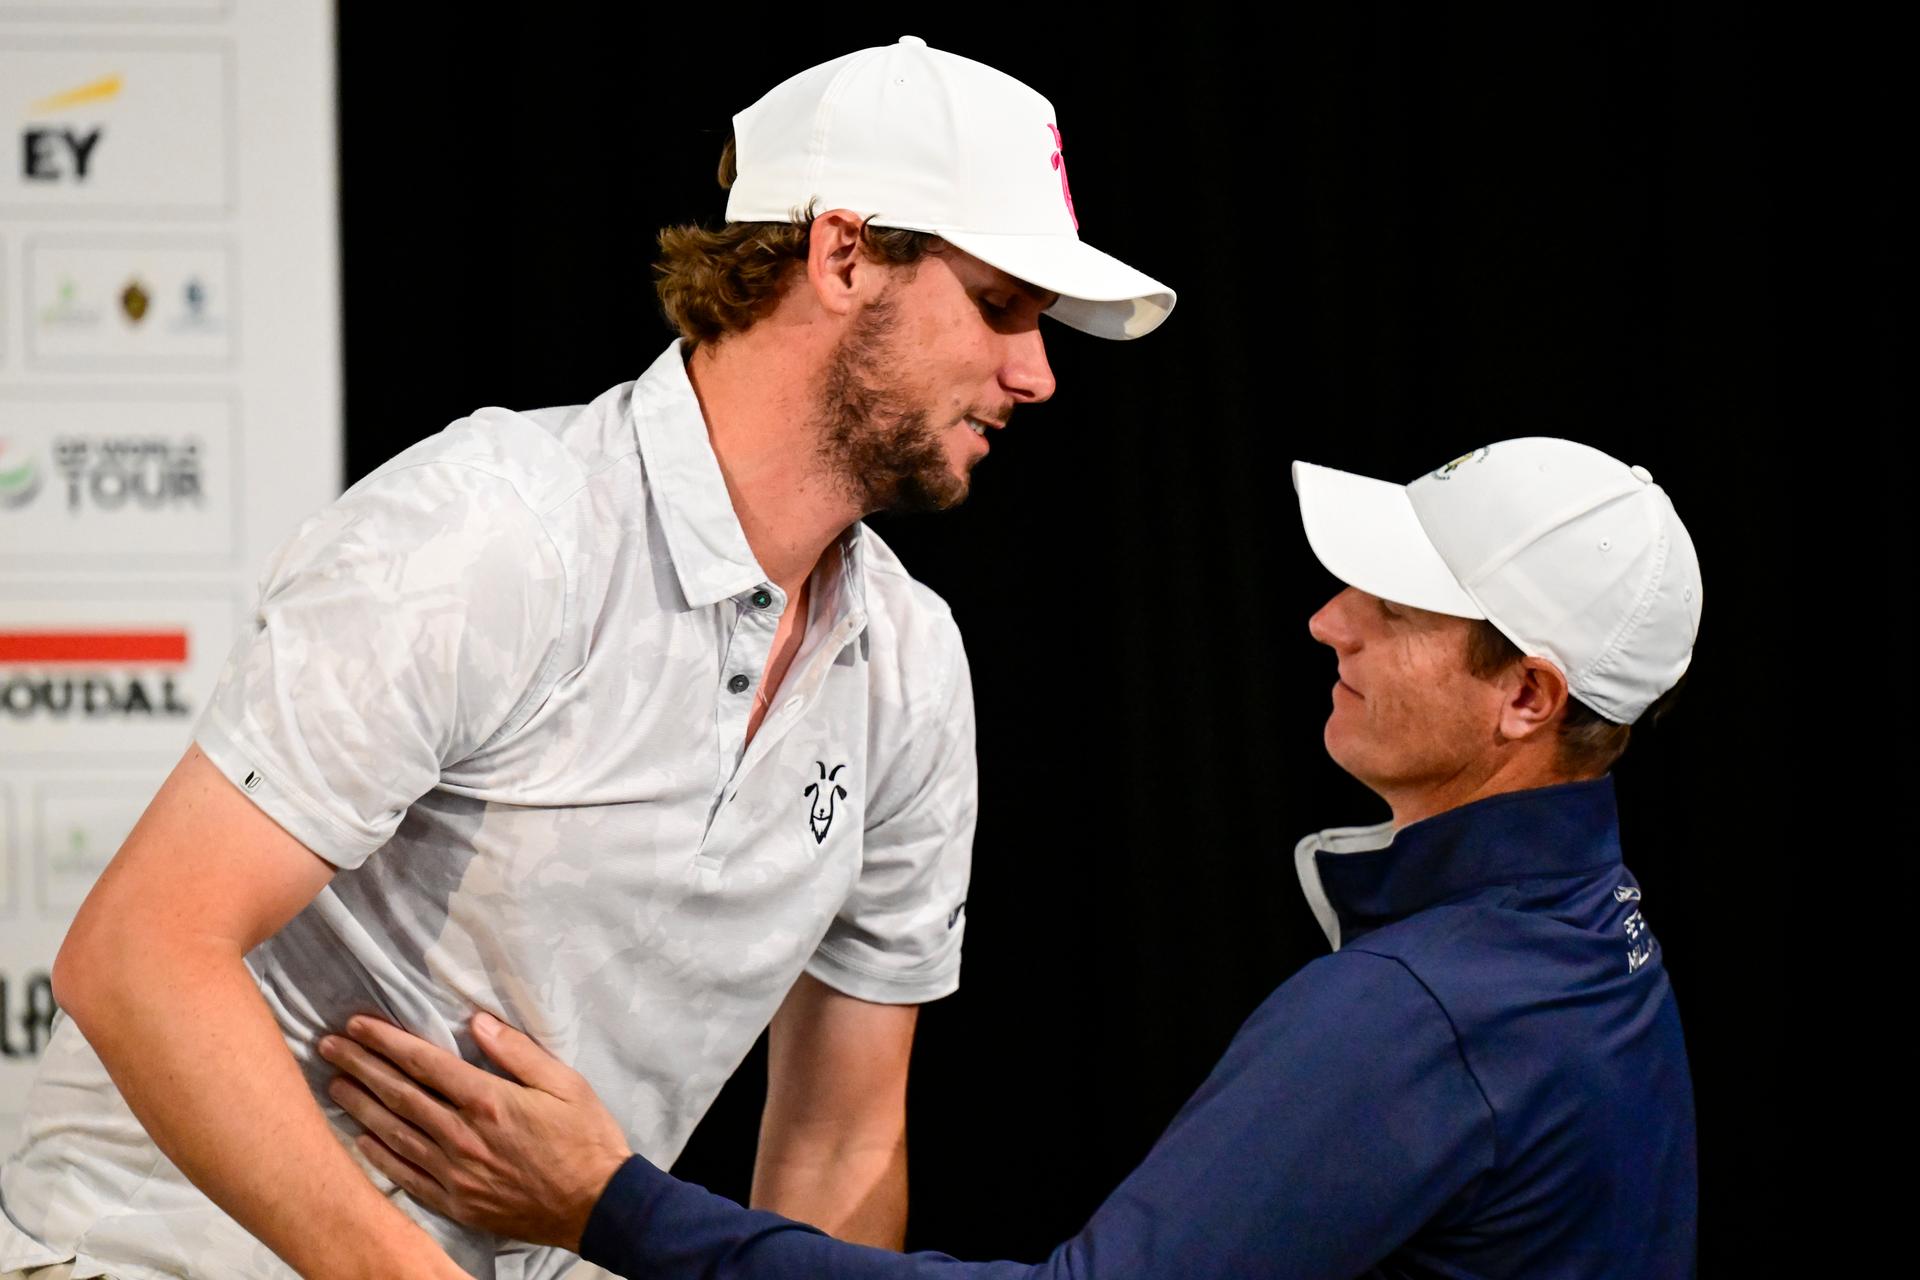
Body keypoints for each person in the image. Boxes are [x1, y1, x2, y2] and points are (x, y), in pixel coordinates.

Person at [0, 37, 1174, 1280]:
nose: (1038, 373)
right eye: (999, 305)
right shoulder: (497, 529)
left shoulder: (915, 669)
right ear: (842, 254)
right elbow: (136, 955)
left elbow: (839, 1143)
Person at [319, 437, 1702, 1278]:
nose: (1327, 621)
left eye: (1390, 606)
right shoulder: (1592, 940)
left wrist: (611, 1208)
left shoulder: (1420, 1014)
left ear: (1526, 696)